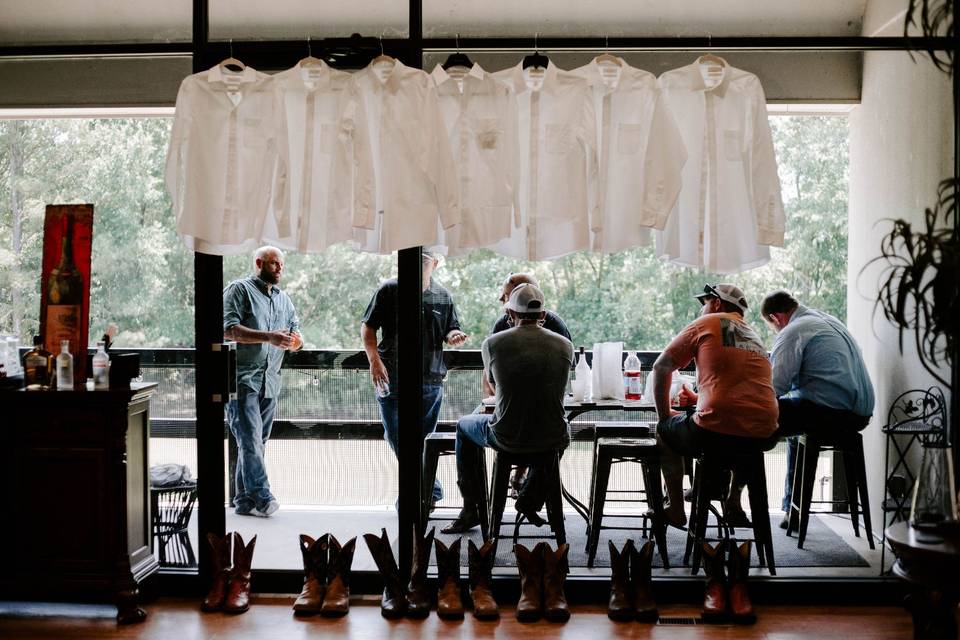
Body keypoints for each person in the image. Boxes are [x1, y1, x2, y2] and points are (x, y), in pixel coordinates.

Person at [443, 283, 574, 533]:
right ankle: (530, 498)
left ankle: (472, 508)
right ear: (543, 316)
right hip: (551, 437)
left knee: (464, 426)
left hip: (506, 436)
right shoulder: (564, 345)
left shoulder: (493, 344)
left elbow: (494, 385)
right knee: (557, 438)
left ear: (511, 315)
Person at [651, 283, 779, 528]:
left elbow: (661, 367)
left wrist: (665, 415)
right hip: (765, 432)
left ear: (717, 303)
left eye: (705, 302)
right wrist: (701, 399)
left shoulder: (707, 323)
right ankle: (733, 501)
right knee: (741, 441)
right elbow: (740, 387)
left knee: (665, 430)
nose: (702, 309)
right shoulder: (752, 335)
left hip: (715, 433)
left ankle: (676, 508)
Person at [361, 250, 468, 509]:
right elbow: (368, 327)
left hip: (430, 378)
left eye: (424, 260)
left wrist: (454, 335)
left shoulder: (443, 296)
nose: (419, 264)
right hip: (391, 374)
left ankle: (417, 496)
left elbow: (451, 328)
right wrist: (374, 361)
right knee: (395, 434)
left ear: (435, 264)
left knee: (422, 438)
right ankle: (430, 489)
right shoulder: (389, 290)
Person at [760, 290, 875, 529]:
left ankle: (733, 493)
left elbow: (774, 387)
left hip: (832, 415)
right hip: (860, 414)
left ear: (776, 317)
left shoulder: (793, 330)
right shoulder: (828, 320)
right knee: (793, 430)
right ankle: (792, 510)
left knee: (756, 414)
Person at [223, 245, 303, 517]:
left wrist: (296, 341)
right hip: (242, 379)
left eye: (281, 265)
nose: (280, 269)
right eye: (274, 264)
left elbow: (295, 331)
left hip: (271, 380)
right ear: (259, 263)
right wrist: (269, 336)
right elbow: (228, 329)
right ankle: (263, 496)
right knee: (250, 440)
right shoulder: (239, 290)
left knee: (256, 442)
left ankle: (244, 502)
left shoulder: (284, 299)